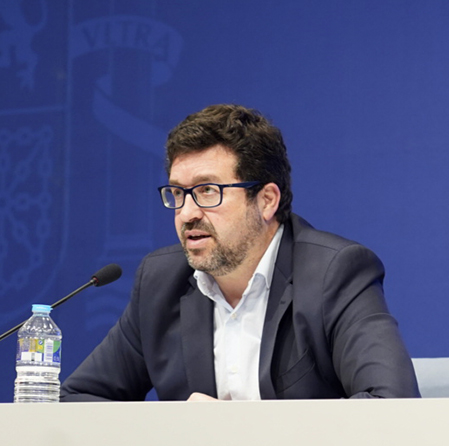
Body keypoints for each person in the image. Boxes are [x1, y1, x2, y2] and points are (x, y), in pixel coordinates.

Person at [62, 104, 419, 400]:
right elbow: (79, 399)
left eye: (207, 191)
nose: (187, 213)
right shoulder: (161, 281)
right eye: (177, 193)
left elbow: (390, 405)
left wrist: (239, 431)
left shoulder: (334, 273)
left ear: (266, 201)